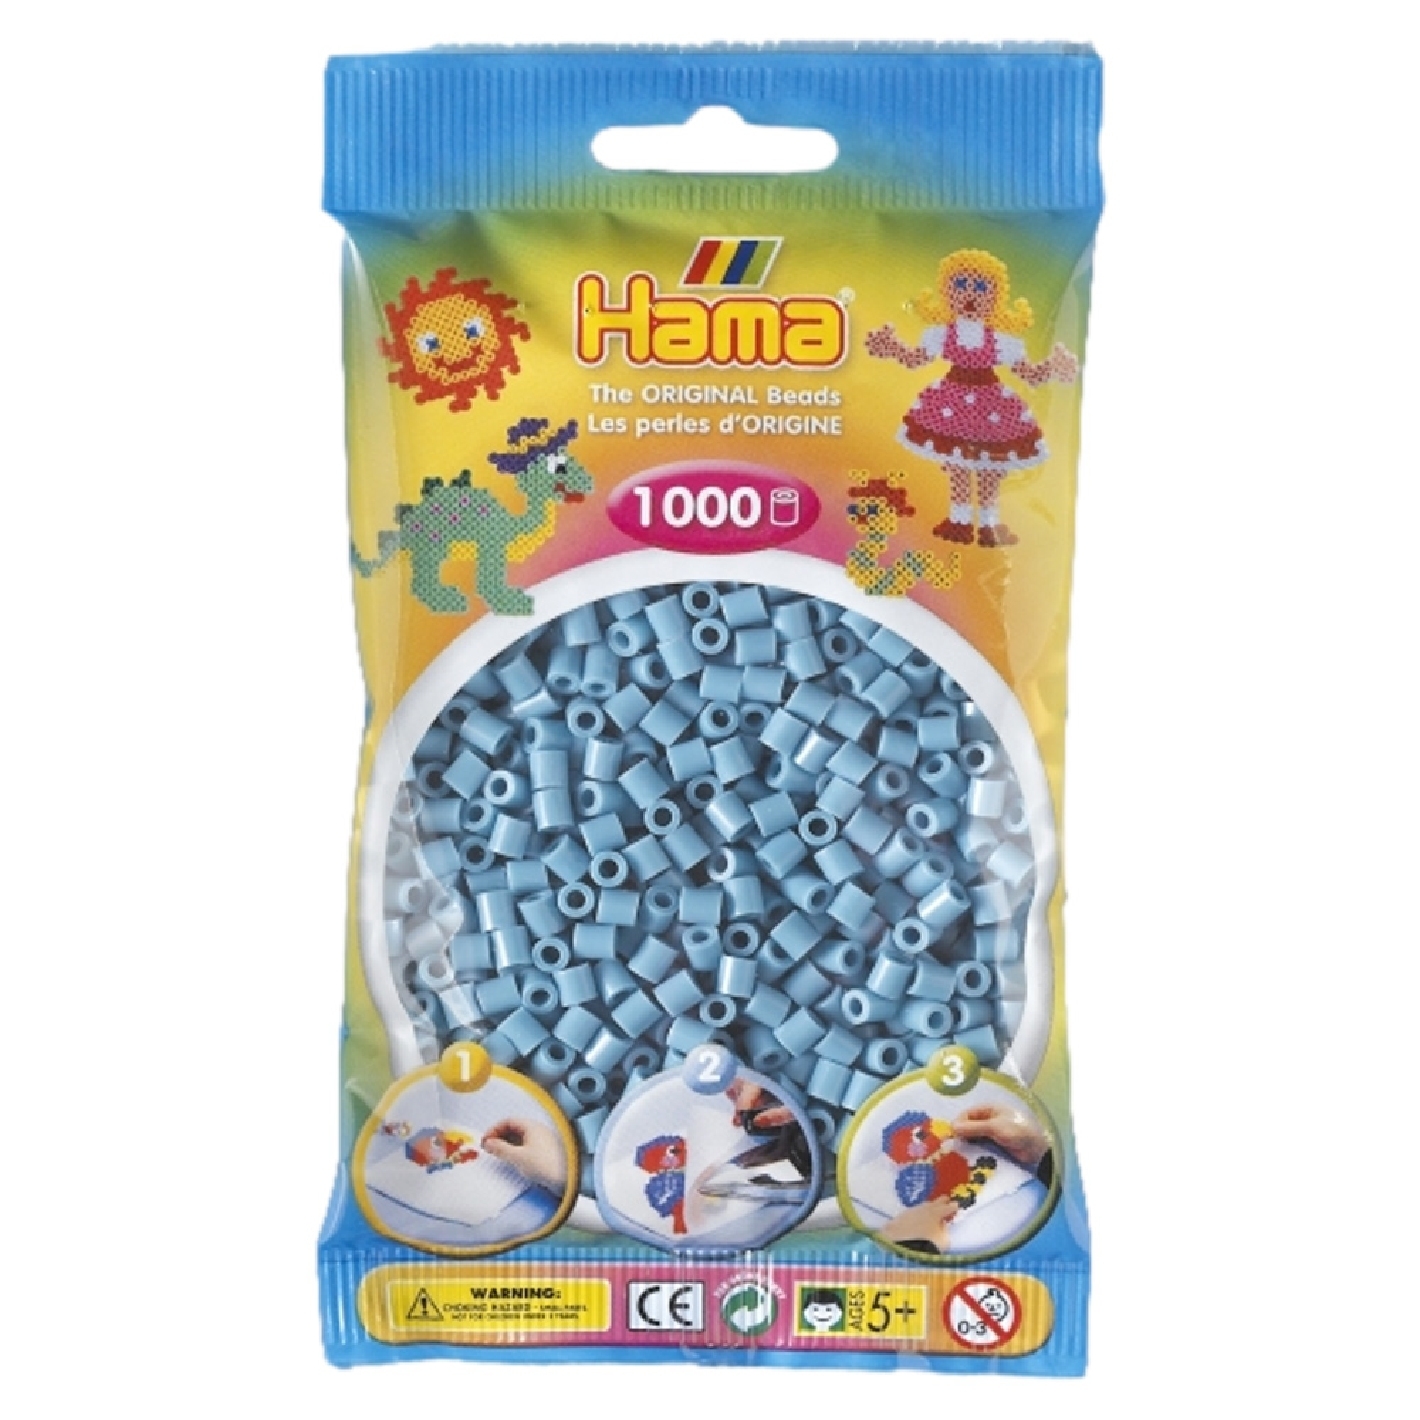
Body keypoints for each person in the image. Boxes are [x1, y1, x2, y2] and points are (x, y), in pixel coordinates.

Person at [866, 249, 1079, 548]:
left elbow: (1028, 374)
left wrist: (1052, 367)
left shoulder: (1002, 342)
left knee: (990, 468)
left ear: (995, 296)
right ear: (947, 292)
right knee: (957, 467)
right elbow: (916, 359)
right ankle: (961, 521)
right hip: (951, 406)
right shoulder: (941, 334)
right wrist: (892, 348)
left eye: (980, 287)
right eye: (959, 285)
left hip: (991, 408)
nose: (969, 295)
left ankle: (989, 523)